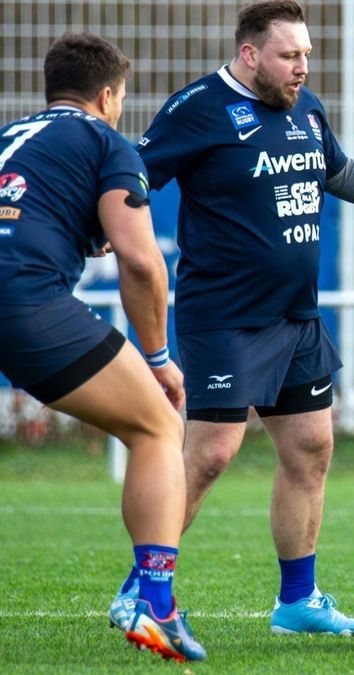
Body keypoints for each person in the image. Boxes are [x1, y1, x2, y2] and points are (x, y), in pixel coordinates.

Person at [128, 0, 354, 636]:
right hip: (226, 319)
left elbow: (339, 173)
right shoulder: (198, 108)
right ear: (250, 54)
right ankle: (141, 588)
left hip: (297, 318)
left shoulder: (305, 111)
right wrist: (101, 226)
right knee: (208, 456)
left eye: (308, 55)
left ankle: (296, 602)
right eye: (290, 56)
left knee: (312, 448)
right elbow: (134, 177)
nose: (302, 68)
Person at [0, 33, 205, 661]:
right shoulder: (106, 142)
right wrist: (158, 359)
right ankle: (156, 608)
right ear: (108, 95)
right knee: (157, 429)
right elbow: (141, 263)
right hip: (24, 300)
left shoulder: (12, 136)